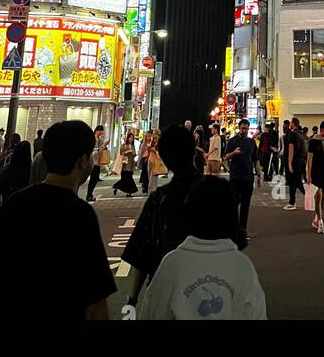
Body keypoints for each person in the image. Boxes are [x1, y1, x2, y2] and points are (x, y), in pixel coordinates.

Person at [0, 121, 114, 320]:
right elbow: (96, 296)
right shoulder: (80, 214)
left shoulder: (13, 205)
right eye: (91, 157)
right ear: (83, 161)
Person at [138, 177, 267, 320]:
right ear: (232, 218)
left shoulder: (172, 264)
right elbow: (256, 314)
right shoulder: (242, 266)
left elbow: (151, 312)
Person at [124, 126, 202, 310]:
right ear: (193, 152)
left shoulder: (159, 200)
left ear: (165, 159)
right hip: (212, 288)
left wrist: (132, 300)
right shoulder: (219, 193)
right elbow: (236, 242)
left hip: (164, 290)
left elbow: (141, 253)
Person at [223, 118, 259, 247]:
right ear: (239, 128)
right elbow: (225, 157)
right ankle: (233, 230)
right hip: (235, 178)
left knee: (245, 205)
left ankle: (243, 230)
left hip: (248, 178)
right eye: (242, 128)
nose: (244, 131)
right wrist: (234, 153)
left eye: (246, 128)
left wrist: (259, 175)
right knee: (233, 204)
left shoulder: (251, 142)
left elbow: (256, 160)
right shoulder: (232, 141)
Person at [306, 120, 324, 234]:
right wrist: (308, 175)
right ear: (322, 130)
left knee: (322, 200)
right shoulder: (313, 141)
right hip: (315, 172)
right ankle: (321, 222)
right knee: (318, 197)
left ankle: (317, 218)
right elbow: (309, 159)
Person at [284, 118, 307, 209]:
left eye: (290, 122)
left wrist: (289, 163)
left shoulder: (292, 134)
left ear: (293, 123)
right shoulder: (301, 134)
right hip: (301, 161)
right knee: (297, 182)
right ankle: (306, 197)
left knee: (293, 182)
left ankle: (292, 203)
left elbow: (291, 149)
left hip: (294, 161)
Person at [113, 130, 139, 196]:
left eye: (132, 138)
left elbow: (134, 153)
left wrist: (134, 154)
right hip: (124, 165)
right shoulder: (124, 145)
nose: (131, 139)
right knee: (127, 179)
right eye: (130, 137)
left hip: (131, 164)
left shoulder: (133, 146)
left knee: (128, 179)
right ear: (127, 138)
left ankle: (127, 192)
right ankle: (119, 187)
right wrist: (127, 152)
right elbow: (121, 153)